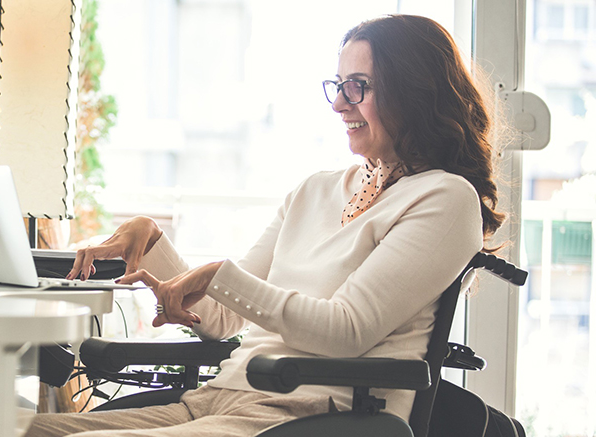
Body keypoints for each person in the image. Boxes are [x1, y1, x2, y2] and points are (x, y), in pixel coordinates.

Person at [27, 14, 505, 437]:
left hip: (310, 414)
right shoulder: (314, 191)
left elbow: (346, 330)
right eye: (337, 84)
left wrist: (218, 275)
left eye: (358, 85)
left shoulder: (444, 199)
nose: (340, 103)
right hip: (216, 400)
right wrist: (151, 239)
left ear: (414, 90)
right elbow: (220, 317)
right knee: (12, 428)